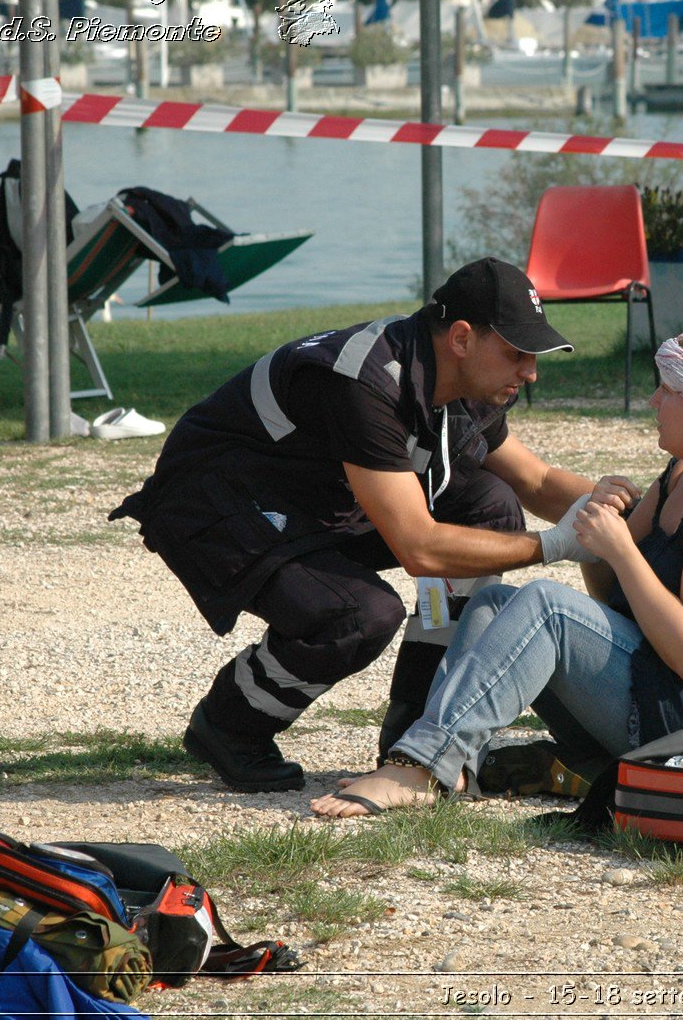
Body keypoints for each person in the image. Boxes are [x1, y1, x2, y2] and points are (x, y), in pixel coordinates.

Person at [110, 258, 622, 793]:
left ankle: (418, 724)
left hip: (318, 504)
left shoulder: (461, 381)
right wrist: (558, 544)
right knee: (358, 616)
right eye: (517, 353)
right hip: (218, 505)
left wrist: (629, 509)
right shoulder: (364, 380)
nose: (531, 372)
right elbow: (420, 548)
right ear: (463, 339)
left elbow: (535, 481)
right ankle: (231, 722)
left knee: (489, 504)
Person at [310, 327, 683, 817]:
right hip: (664, 699)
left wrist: (621, 551)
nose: (654, 402)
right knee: (494, 604)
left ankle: (421, 767)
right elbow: (617, 596)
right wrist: (598, 544)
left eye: (668, 391)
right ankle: (453, 763)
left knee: (546, 605)